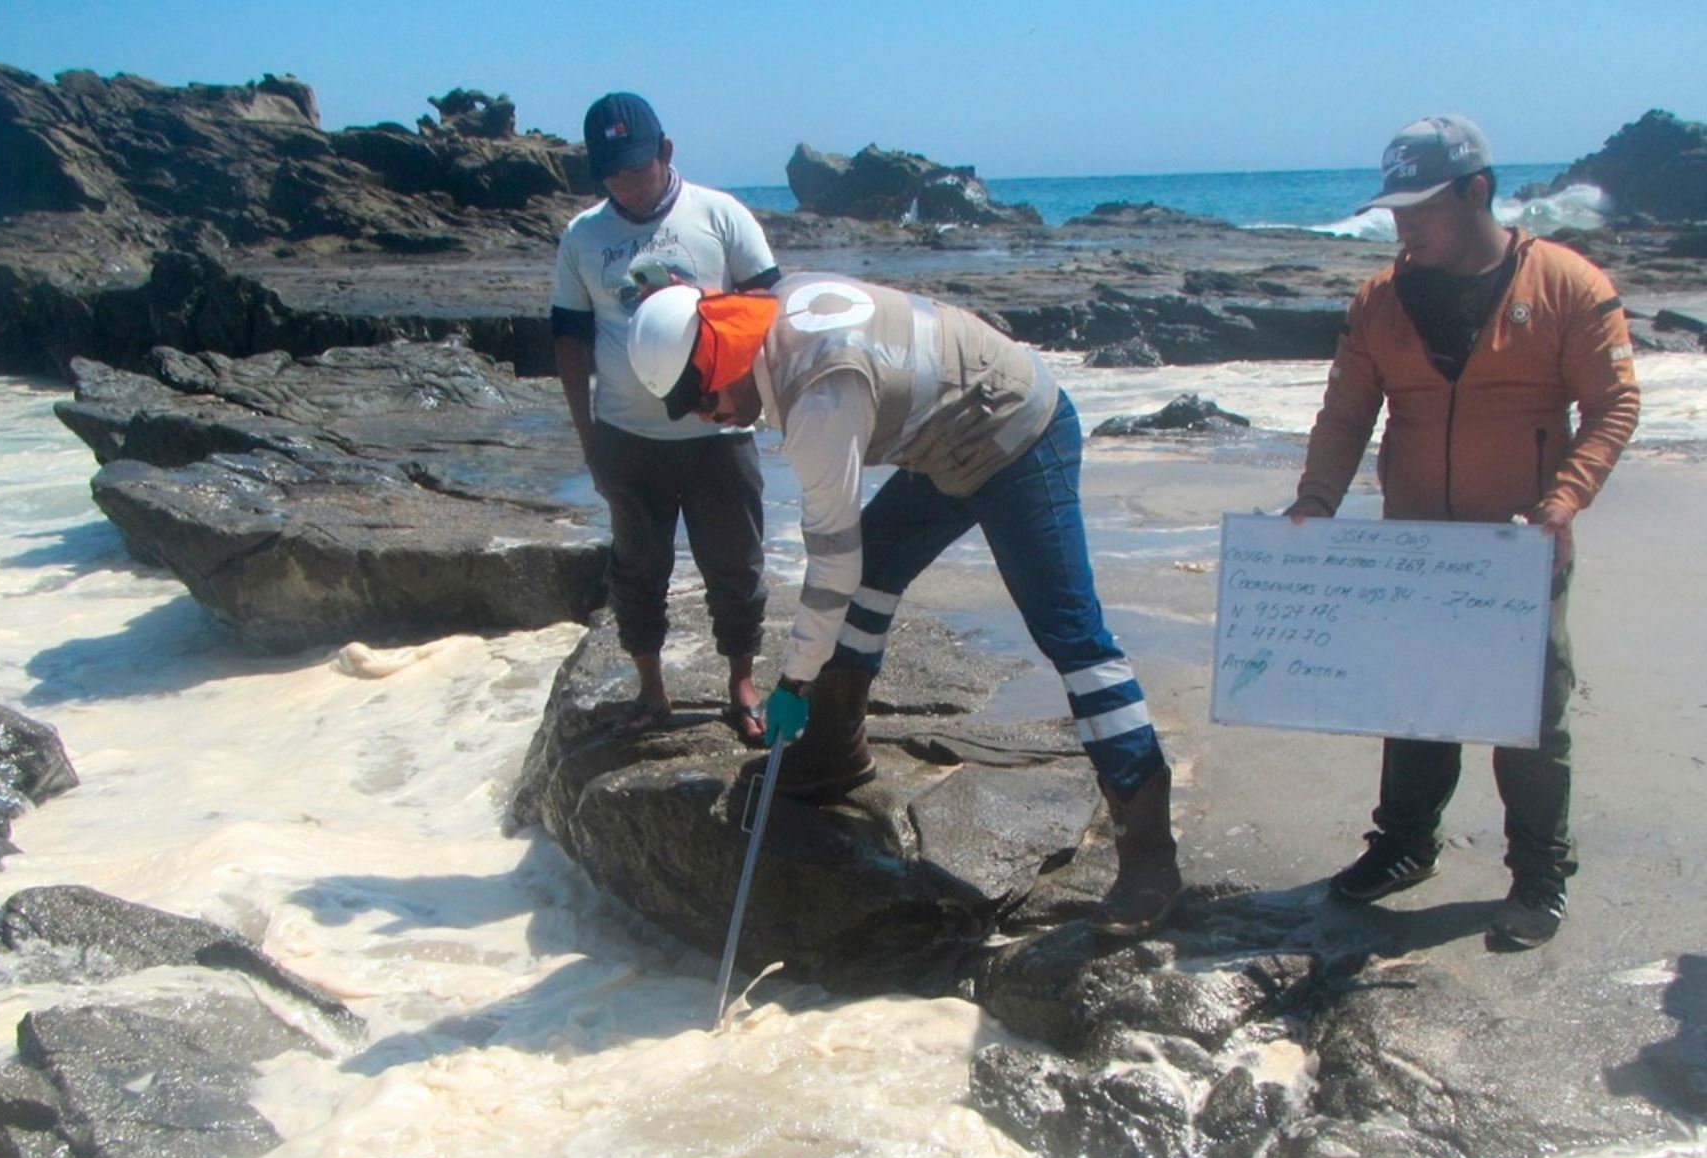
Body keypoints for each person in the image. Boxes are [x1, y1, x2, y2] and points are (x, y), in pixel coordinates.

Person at [625, 273, 1183, 937]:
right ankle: (835, 748)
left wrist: (793, 681)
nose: (705, 417)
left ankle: (1150, 854)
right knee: (872, 578)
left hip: (1018, 431)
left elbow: (831, 566)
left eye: (701, 398)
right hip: (946, 434)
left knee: (1072, 636)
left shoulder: (820, 397)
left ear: (724, 358)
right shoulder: (772, 312)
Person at [1284, 115, 1639, 950]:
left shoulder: (1567, 284)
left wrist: (1564, 500)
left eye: (1421, 207)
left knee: (1530, 716)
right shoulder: (1379, 298)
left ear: (1477, 191)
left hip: (1520, 547)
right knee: (1412, 700)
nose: (1401, 224)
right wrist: (1314, 502)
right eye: (1395, 207)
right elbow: (1345, 415)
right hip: (1416, 549)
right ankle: (1404, 845)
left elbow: (1614, 404)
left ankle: (1540, 871)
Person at [551, 92, 781, 744]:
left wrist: (754, 395)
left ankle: (741, 684)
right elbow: (569, 337)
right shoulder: (582, 236)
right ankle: (652, 689)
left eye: (638, 164)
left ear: (666, 151)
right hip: (628, 437)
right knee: (637, 569)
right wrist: (588, 437)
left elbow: (770, 311)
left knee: (736, 566)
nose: (627, 180)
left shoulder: (720, 215)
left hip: (719, 435)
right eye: (612, 170)